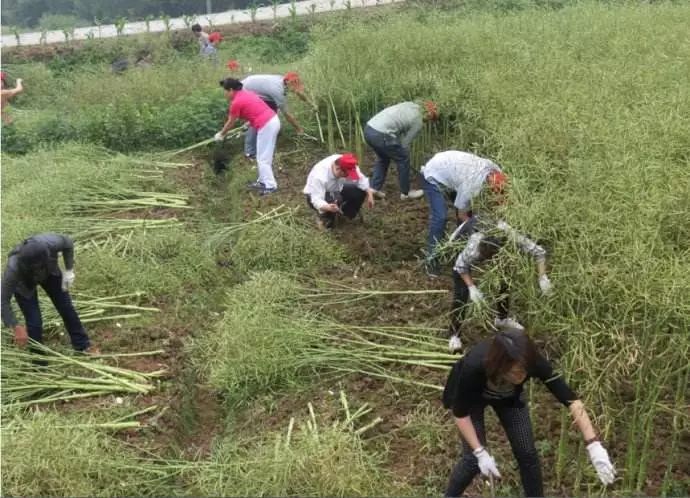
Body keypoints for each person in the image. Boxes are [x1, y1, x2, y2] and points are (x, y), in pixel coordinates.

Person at [442, 329, 616, 497]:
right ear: (500, 365)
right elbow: (460, 414)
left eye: (525, 371)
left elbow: (570, 399)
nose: (522, 376)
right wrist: (480, 452)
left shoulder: (533, 362)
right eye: (516, 372)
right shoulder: (474, 366)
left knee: (527, 453)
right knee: (472, 460)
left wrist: (593, 444)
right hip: (472, 400)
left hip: (509, 399)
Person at [446, 215, 552, 352]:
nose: (489, 262)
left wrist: (542, 277)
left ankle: (502, 318)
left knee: (505, 277)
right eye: (486, 258)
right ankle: (454, 334)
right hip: (459, 242)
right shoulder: (473, 246)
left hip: (497, 245)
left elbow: (539, 252)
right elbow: (460, 266)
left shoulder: (510, 235)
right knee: (461, 293)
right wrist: (472, 287)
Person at [1, 233, 98, 354]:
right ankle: (38, 362)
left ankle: (83, 345)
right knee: (34, 323)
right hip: (24, 284)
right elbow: (3, 300)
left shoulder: (51, 242)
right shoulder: (13, 269)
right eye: (36, 268)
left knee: (66, 307)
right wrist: (15, 326)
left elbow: (68, 243)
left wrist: (69, 270)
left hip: (50, 273)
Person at [420, 150, 507, 272]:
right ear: (487, 186)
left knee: (469, 217)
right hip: (435, 173)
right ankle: (431, 261)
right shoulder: (471, 186)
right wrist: (478, 232)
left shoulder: (496, 171)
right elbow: (462, 214)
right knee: (441, 217)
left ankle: (461, 253)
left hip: (453, 168)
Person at [215, 78, 281, 196]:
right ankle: (262, 181)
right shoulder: (247, 93)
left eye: (225, 91)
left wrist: (221, 134)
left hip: (267, 125)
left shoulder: (236, 102)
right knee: (262, 156)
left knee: (263, 158)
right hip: (270, 121)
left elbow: (231, 122)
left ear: (231, 90)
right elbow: (256, 110)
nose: (224, 94)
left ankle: (271, 186)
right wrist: (249, 123)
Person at [364, 100, 438, 200]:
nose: (428, 120)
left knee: (383, 158)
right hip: (382, 135)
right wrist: (401, 152)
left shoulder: (411, 105)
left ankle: (374, 189)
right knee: (403, 158)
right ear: (429, 114)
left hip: (369, 129)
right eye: (431, 118)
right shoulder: (418, 121)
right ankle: (406, 193)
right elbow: (404, 143)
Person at [241, 72, 316, 160]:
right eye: (293, 84)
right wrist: (299, 129)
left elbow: (298, 93)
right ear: (288, 82)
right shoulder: (278, 91)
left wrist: (311, 104)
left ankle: (266, 131)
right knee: (258, 119)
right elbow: (287, 114)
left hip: (259, 91)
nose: (295, 87)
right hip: (244, 91)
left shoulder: (284, 82)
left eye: (296, 84)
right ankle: (250, 152)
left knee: (271, 115)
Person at [303, 153, 375, 230]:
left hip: (337, 188)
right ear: (338, 168)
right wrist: (328, 207)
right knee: (333, 204)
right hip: (316, 194)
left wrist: (369, 194)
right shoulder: (319, 176)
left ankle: (346, 214)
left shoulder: (347, 163)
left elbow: (360, 179)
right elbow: (316, 199)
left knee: (359, 191)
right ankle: (324, 218)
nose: (348, 176)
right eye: (346, 175)